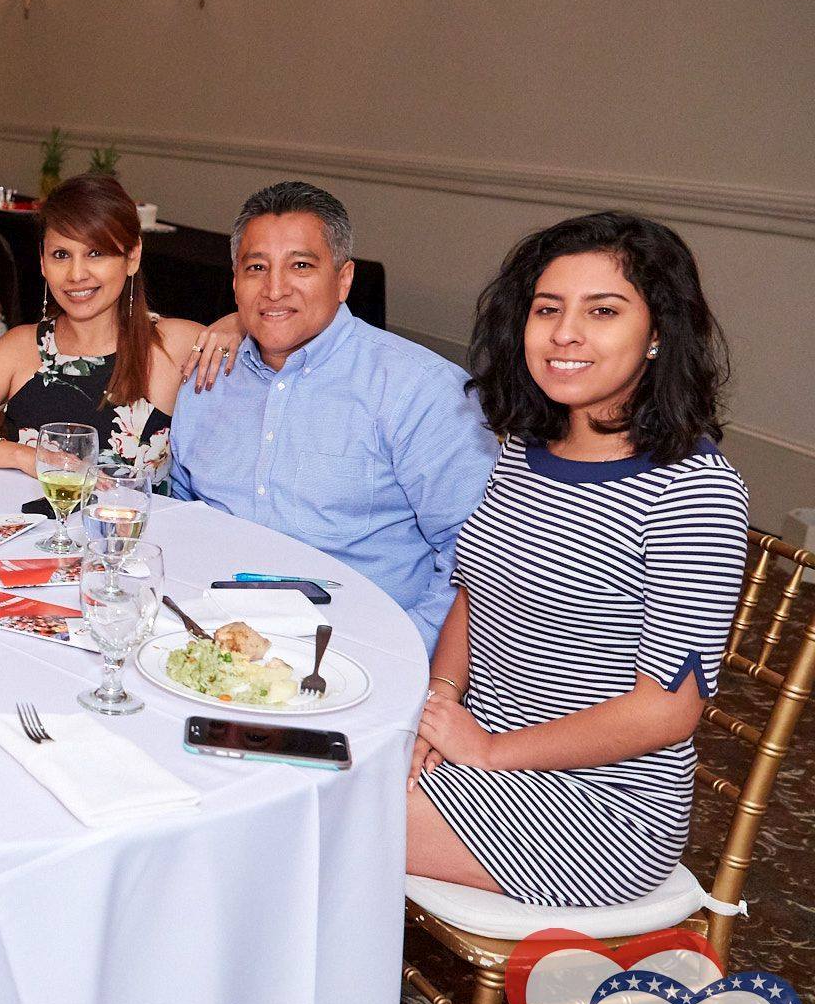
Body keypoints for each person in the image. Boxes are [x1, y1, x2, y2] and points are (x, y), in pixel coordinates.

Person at [408, 212, 748, 908]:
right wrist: (439, 703)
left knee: (312, 822)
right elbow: (477, 592)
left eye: (603, 311)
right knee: (291, 764)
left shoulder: (694, 492)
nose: (565, 332)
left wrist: (491, 752)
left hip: (601, 808)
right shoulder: (523, 448)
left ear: (657, 332)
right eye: (547, 309)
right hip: (477, 752)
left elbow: (665, 713)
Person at [169, 181, 497, 648]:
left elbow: (475, 557)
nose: (275, 289)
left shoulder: (421, 390)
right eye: (256, 267)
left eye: (300, 266)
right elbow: (184, 515)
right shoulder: (209, 377)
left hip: (357, 650)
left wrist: (402, 655)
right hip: (208, 636)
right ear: (235, 282)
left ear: (343, 280)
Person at [0, 175, 242, 478]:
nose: (76, 274)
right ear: (43, 262)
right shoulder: (20, 348)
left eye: (96, 253)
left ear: (132, 256)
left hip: (137, 512)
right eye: (61, 255)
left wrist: (240, 323)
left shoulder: (175, 345)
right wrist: (23, 456)